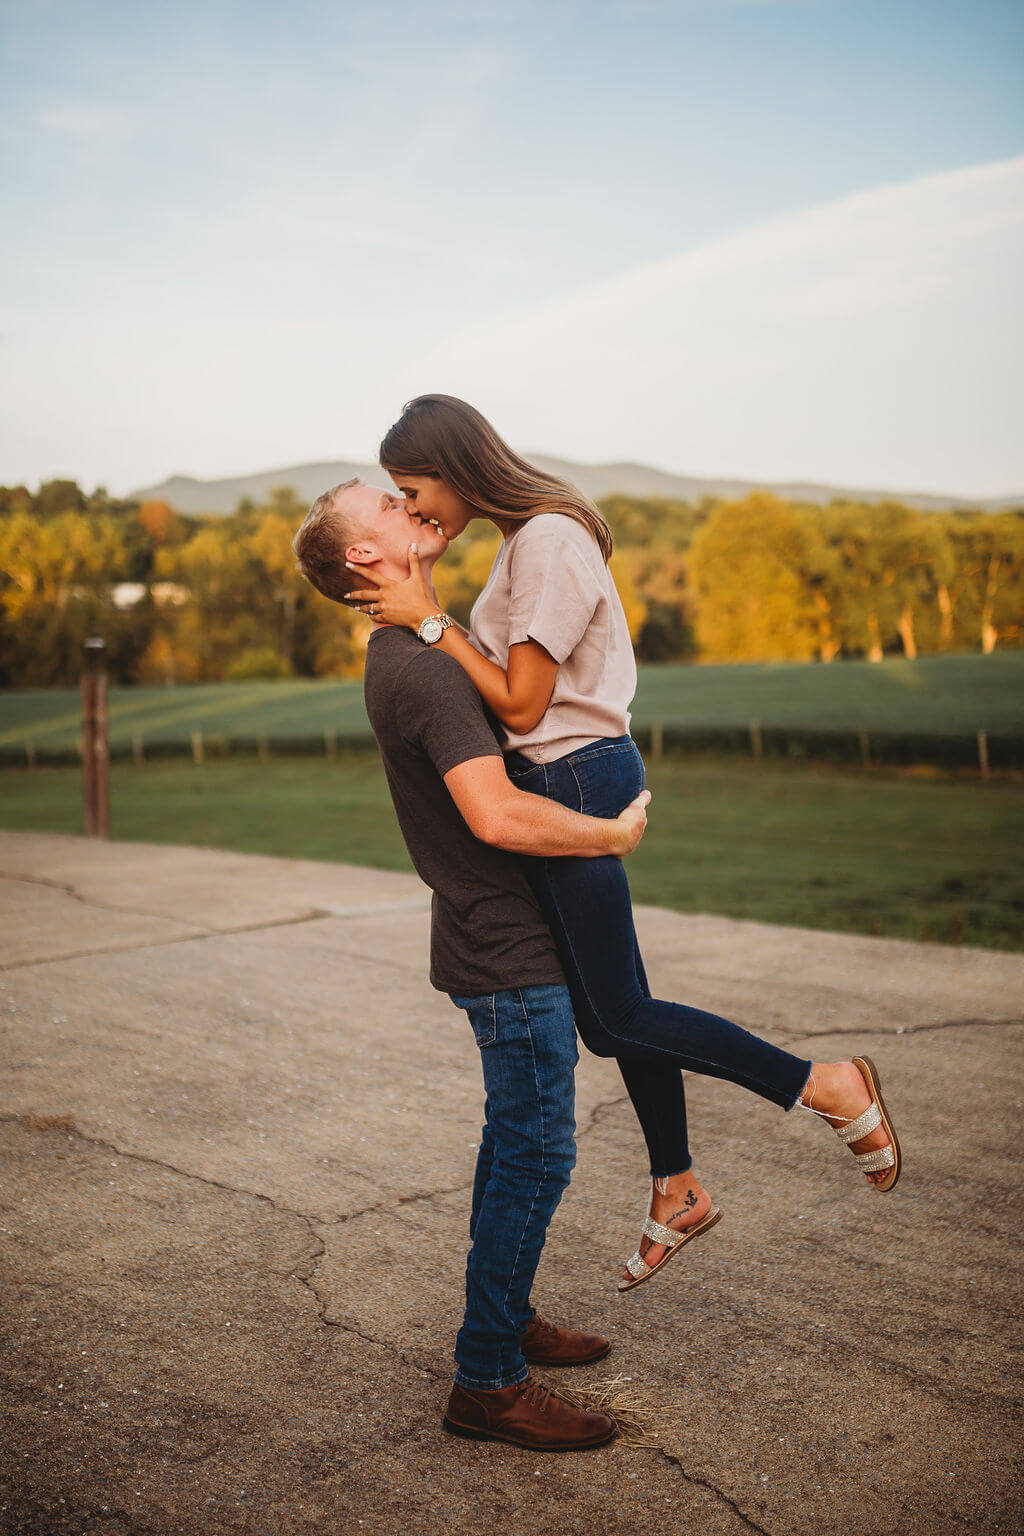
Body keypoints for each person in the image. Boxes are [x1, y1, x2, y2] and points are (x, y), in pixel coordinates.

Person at [344, 394, 903, 1293]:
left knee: (614, 1019)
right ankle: (677, 1183)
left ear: (454, 465)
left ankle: (825, 1083)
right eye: (400, 501)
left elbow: (523, 706)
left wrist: (428, 620)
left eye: (414, 490)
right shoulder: (525, 544)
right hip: (563, 774)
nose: (414, 511)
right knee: (621, 1005)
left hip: (575, 770)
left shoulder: (550, 540)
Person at [292, 477, 653, 1451]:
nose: (411, 506)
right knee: (539, 1150)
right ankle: (487, 1380)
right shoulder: (420, 671)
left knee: (514, 1145)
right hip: (505, 948)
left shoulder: (421, 646)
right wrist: (605, 837)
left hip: (494, 938)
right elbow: (494, 814)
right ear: (365, 558)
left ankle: (510, 1314)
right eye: (386, 504)